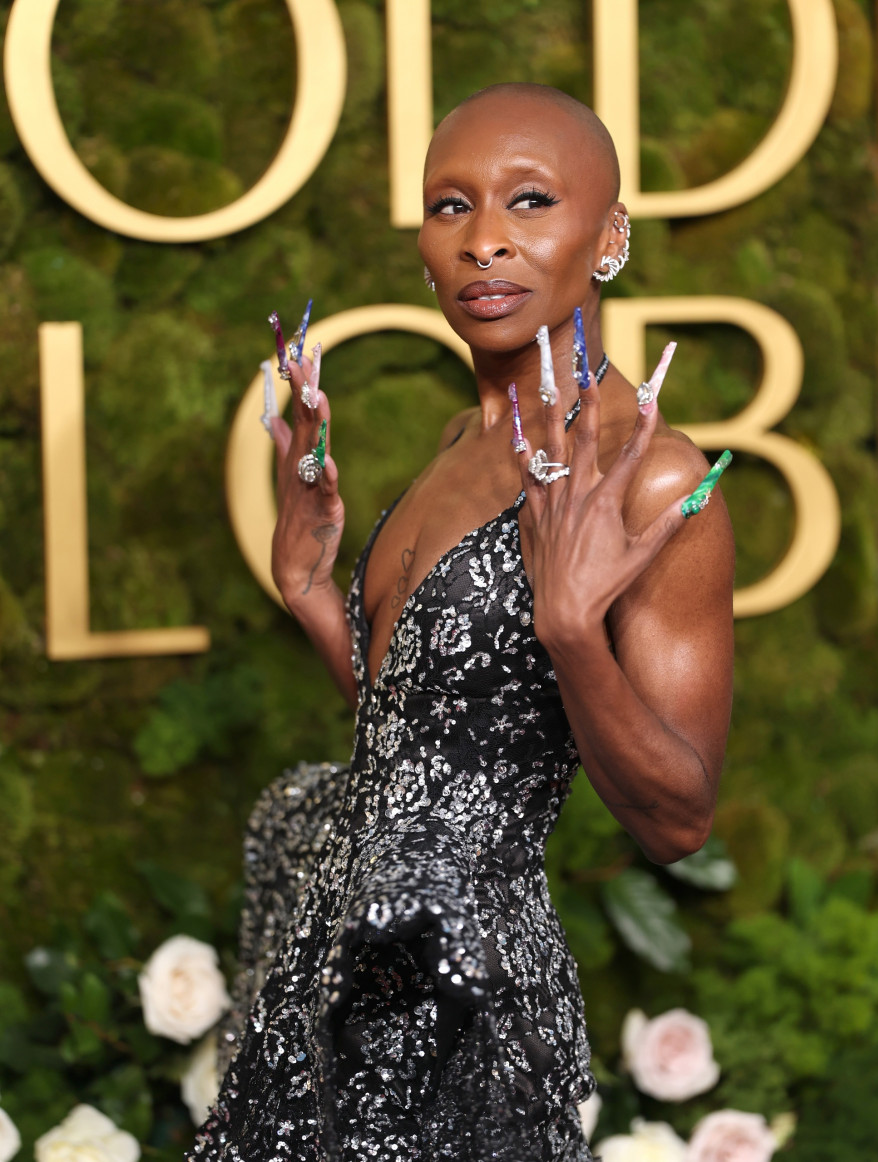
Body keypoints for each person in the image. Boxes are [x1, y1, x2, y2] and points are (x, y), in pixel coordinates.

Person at [191, 83, 734, 1162]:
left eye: (530, 201)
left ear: (610, 236)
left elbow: (680, 820)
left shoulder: (649, 475)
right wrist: (312, 593)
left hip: (461, 1000)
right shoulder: (457, 440)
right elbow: (426, 742)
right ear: (424, 249)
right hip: (331, 967)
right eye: (452, 207)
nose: (485, 239)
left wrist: (572, 635)